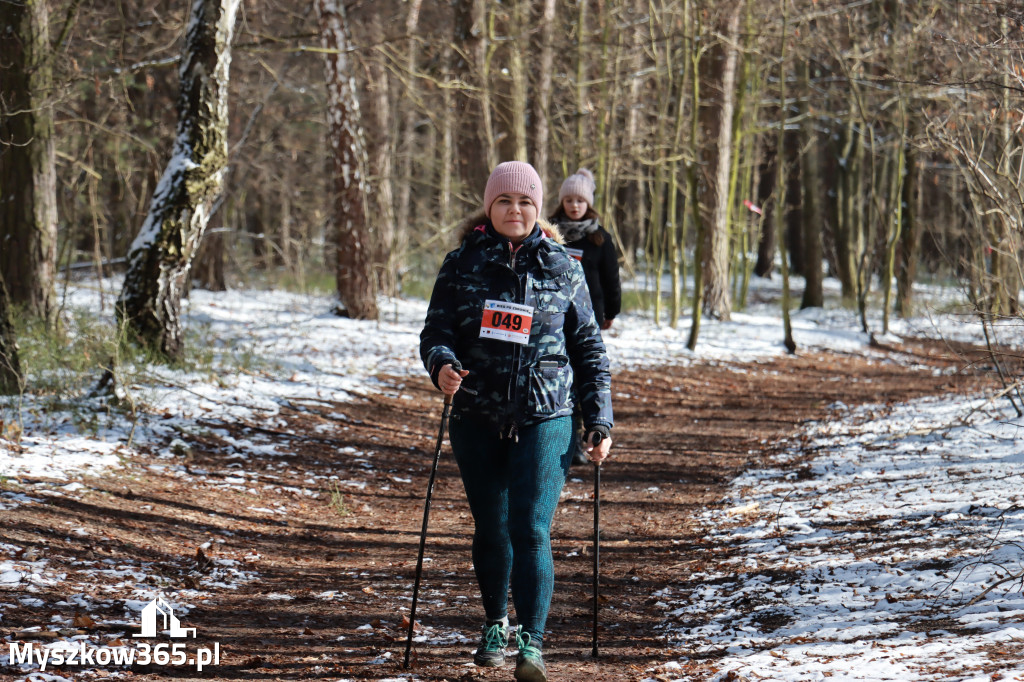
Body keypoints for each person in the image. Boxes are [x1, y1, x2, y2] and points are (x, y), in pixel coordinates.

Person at [420, 161, 614, 682]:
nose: (516, 210)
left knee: (530, 527)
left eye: (526, 202)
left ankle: (532, 643)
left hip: (547, 415)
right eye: (505, 201)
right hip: (476, 416)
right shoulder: (461, 264)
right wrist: (441, 365)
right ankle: (494, 624)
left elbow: (590, 349)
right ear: (490, 207)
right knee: (491, 527)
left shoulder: (563, 266)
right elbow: (435, 332)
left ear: (537, 209)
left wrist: (599, 419)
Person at [548, 168, 622, 466]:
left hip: (588, 318)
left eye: (580, 200)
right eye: (569, 200)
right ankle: (559, 436)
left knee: (584, 376)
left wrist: (611, 311)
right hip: (556, 318)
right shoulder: (549, 233)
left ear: (588, 203)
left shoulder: (599, 238)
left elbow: (611, 277)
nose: (574, 206)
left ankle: (582, 437)